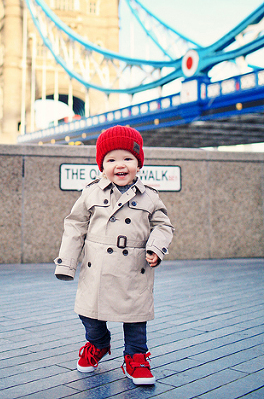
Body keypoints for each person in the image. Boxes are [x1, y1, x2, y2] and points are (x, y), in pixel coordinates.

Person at [54, 125, 174, 386]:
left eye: (128, 158)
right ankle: (98, 343)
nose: (120, 165)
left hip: (134, 268)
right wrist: (66, 263)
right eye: (111, 160)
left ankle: (136, 357)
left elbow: (163, 226)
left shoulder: (150, 196)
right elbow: (75, 225)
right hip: (96, 266)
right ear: (101, 165)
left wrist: (155, 248)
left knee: (135, 319)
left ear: (139, 164)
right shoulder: (91, 192)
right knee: (89, 313)